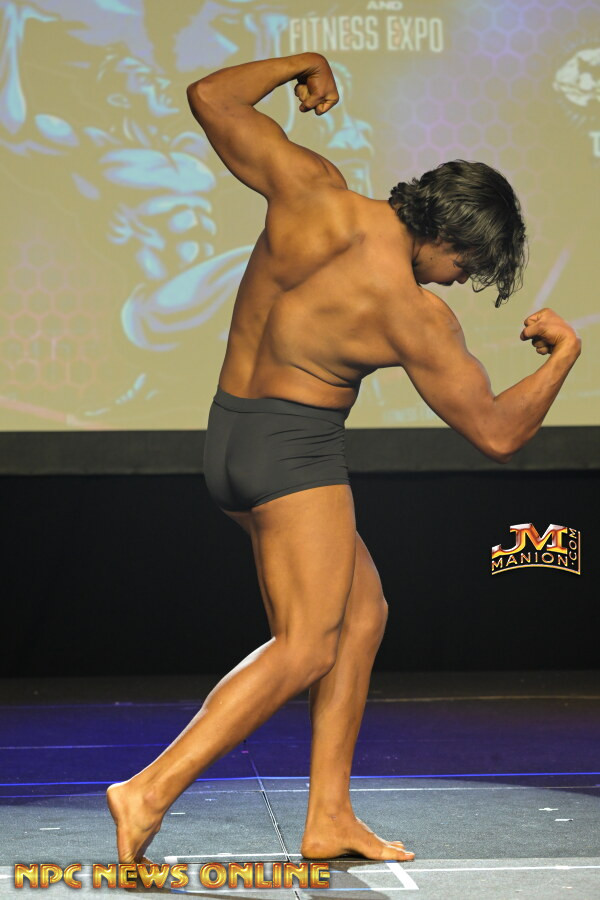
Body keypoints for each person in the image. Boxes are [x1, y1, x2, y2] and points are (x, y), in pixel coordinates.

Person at [107, 52, 582, 865]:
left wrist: (307, 63)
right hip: (294, 454)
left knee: (362, 615)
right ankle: (149, 789)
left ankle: (328, 816)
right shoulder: (411, 311)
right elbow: (500, 433)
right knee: (306, 644)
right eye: (465, 267)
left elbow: (209, 96)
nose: (459, 283)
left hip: (229, 438)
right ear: (444, 238)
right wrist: (564, 354)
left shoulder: (312, 188)